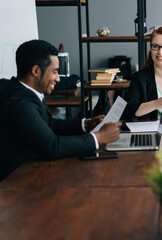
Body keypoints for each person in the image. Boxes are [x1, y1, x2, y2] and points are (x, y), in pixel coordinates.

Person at [0, 39, 121, 181]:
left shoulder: (25, 91)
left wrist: (85, 124)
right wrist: (99, 137)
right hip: (11, 183)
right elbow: (51, 147)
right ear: (36, 71)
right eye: (55, 72)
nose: (58, 79)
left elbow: (49, 124)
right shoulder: (21, 102)